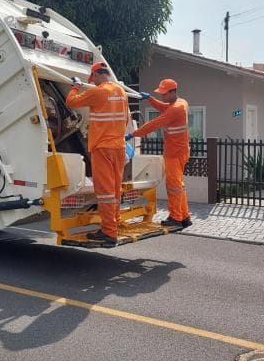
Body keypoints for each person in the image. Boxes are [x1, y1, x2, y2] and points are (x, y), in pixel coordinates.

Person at [66, 61, 129, 245]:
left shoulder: (98, 91)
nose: (91, 82)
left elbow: (71, 101)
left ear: (96, 75)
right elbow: (124, 119)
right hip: (118, 147)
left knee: (105, 192)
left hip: (102, 147)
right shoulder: (121, 92)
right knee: (115, 189)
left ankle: (108, 232)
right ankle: (114, 223)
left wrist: (76, 86)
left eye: (91, 79)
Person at [126, 78, 192, 228]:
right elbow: (164, 107)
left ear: (172, 92)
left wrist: (133, 134)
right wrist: (150, 99)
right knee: (179, 186)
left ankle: (175, 217)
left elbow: (154, 124)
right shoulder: (181, 103)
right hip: (180, 151)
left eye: (164, 93)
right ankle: (185, 216)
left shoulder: (175, 109)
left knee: (174, 186)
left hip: (174, 153)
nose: (162, 96)